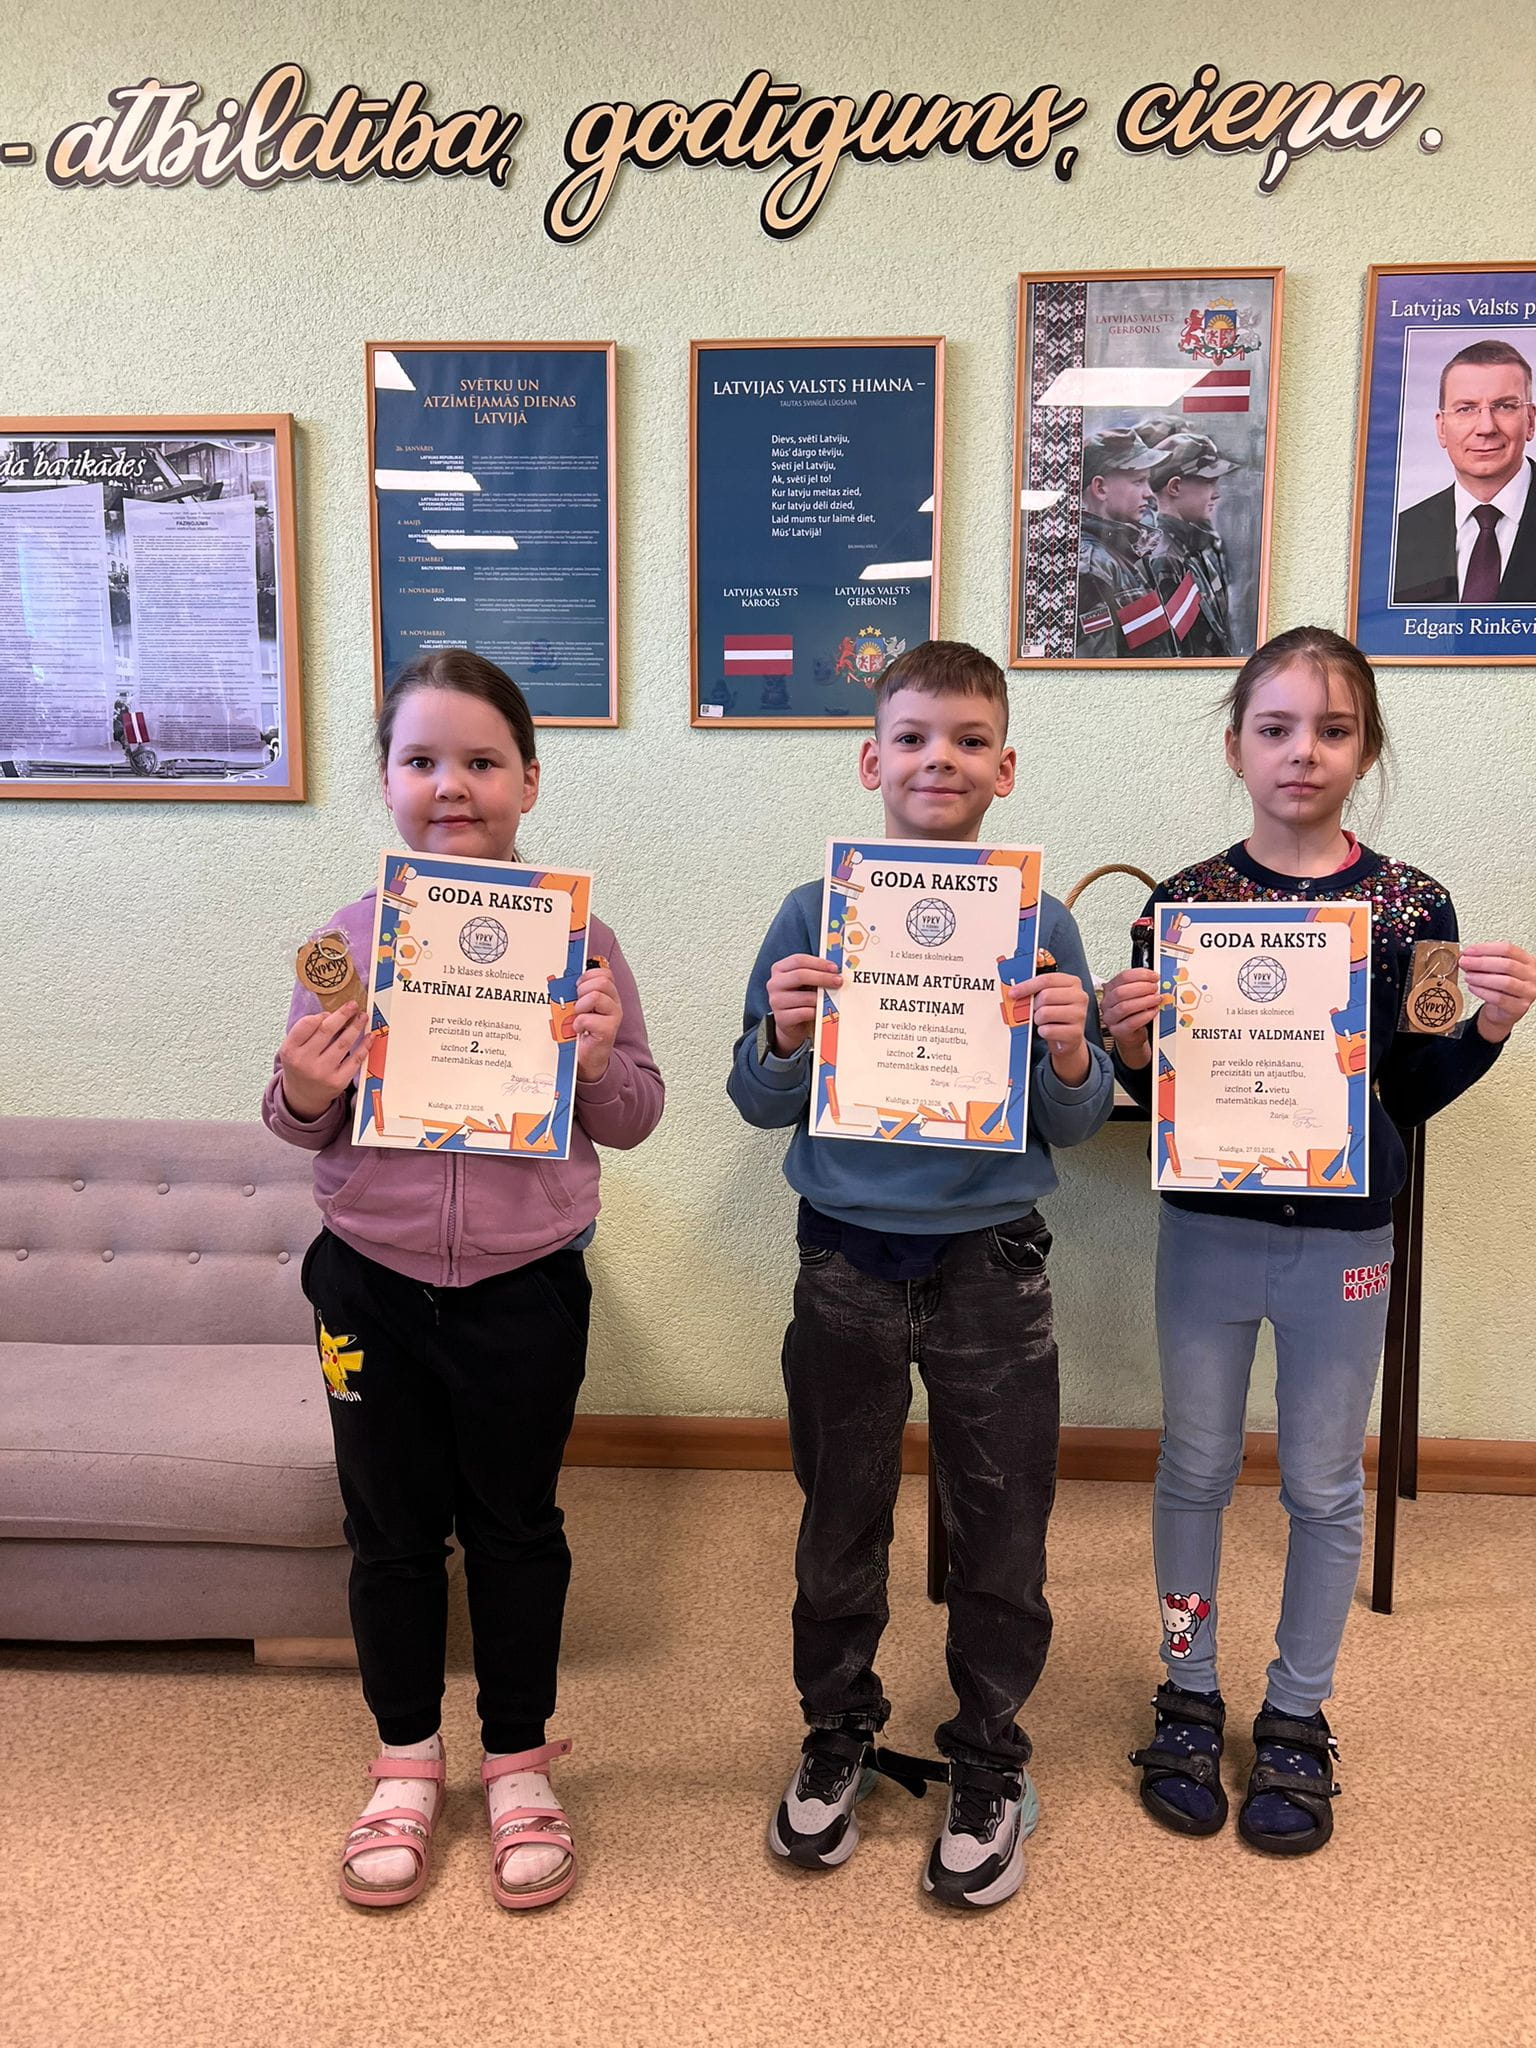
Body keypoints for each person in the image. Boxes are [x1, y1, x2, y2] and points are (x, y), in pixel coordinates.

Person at [1100, 625, 1535, 1856]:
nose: (1303, 751)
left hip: (1346, 1237)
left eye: (1333, 729)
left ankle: (1297, 1708)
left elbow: (1418, 1084)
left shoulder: (1419, 905)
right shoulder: (1179, 905)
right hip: (1209, 1228)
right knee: (1193, 1466)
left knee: (1324, 1483)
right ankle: (1188, 1686)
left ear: (1366, 748)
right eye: (1277, 727)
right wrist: (1128, 1044)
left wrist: (1489, 1026)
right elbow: (1156, 1091)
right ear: (1235, 744)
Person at [263, 648, 664, 1910]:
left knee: (515, 1524)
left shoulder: (584, 943)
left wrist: (599, 1056)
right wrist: (306, 1089)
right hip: (369, 1283)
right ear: (385, 780)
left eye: (482, 761)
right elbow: (297, 1118)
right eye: (422, 759)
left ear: (529, 781)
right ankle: (403, 1758)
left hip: (524, 1287)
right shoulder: (342, 944)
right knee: (389, 1530)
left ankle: (516, 1758)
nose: (453, 785)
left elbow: (636, 1114)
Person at [727, 640, 1115, 1908]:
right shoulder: (812, 911)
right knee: (839, 1511)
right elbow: (754, 1096)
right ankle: (836, 1726)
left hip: (992, 1259)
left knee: (1002, 1522)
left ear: (1006, 767)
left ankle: (990, 1754)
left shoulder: (1044, 921)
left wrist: (1072, 1054)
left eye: (966, 739)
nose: (937, 759)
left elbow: (1074, 1122)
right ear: (869, 760)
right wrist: (786, 1032)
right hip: (843, 1253)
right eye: (911, 737)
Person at [1392, 338, 1536, 603]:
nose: (1486, 427)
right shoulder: (1399, 536)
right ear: (1442, 428)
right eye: (1466, 409)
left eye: (1504, 406)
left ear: (1530, 421)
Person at [1135, 426, 1240, 656]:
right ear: (1174, 487)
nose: (1216, 493)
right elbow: (1172, 653)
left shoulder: (1193, 548)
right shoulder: (1164, 557)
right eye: (1208, 482)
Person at [1075, 427, 1177, 659]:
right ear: (1100, 488)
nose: (1149, 493)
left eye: (1148, 481)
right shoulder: (1091, 567)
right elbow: (1096, 669)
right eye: (1138, 481)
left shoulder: (1121, 551)